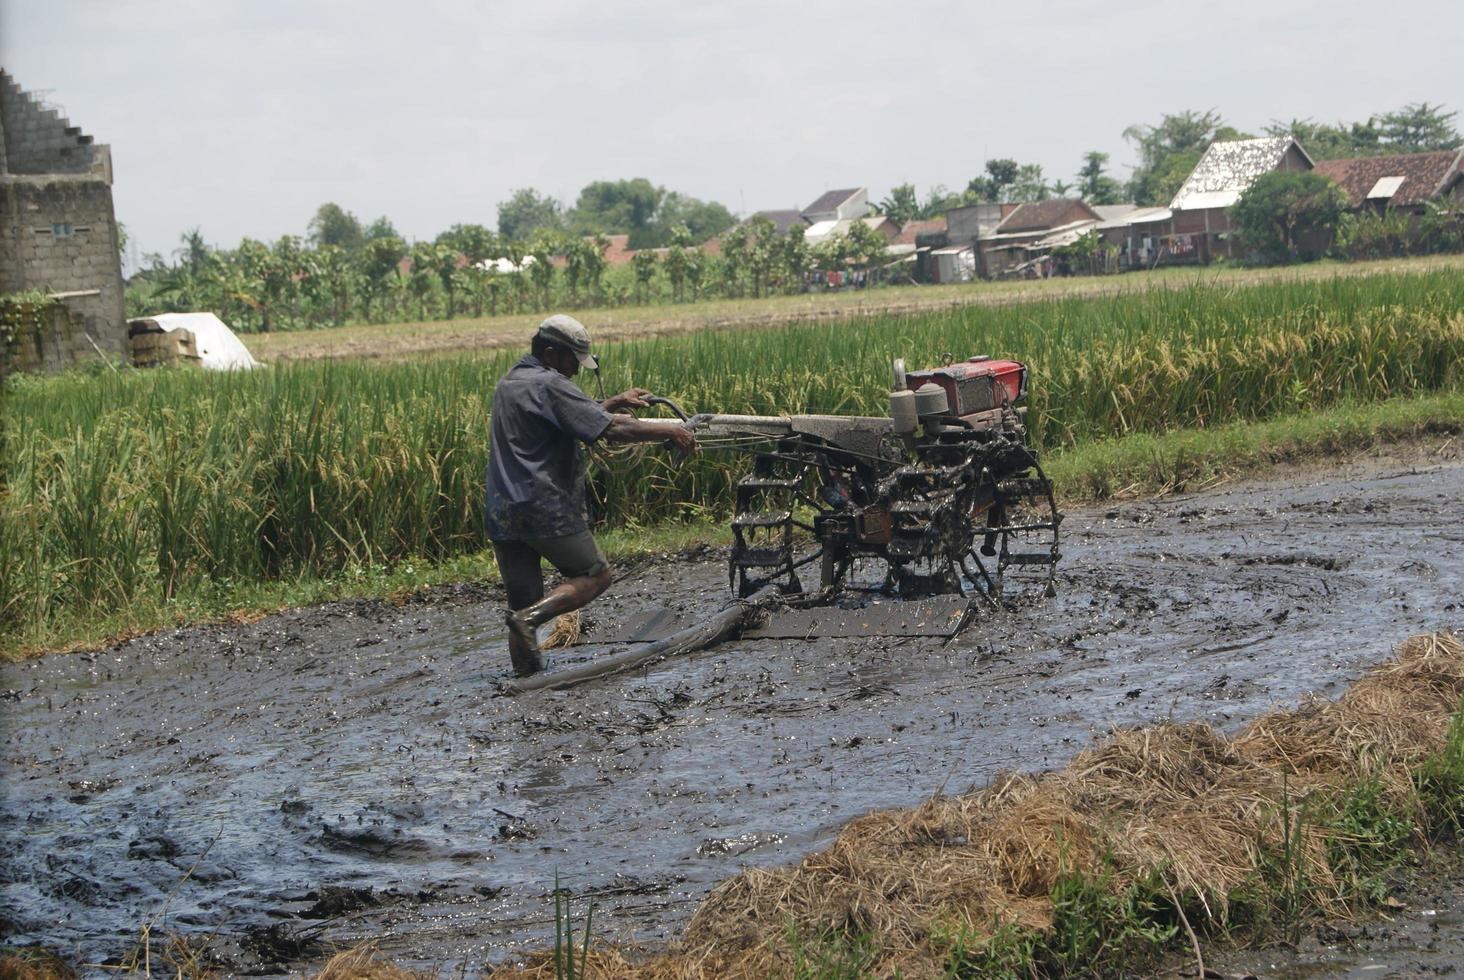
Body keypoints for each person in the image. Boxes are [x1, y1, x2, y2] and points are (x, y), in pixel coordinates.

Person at [485, 314, 698, 676]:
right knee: (595, 574)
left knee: (521, 601)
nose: (577, 370)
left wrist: (613, 400)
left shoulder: (513, 382)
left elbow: (573, 415)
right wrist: (669, 431)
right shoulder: (551, 384)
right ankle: (531, 619)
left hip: (504, 510)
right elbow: (612, 430)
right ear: (551, 353)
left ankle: (527, 679)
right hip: (544, 507)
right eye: (573, 361)